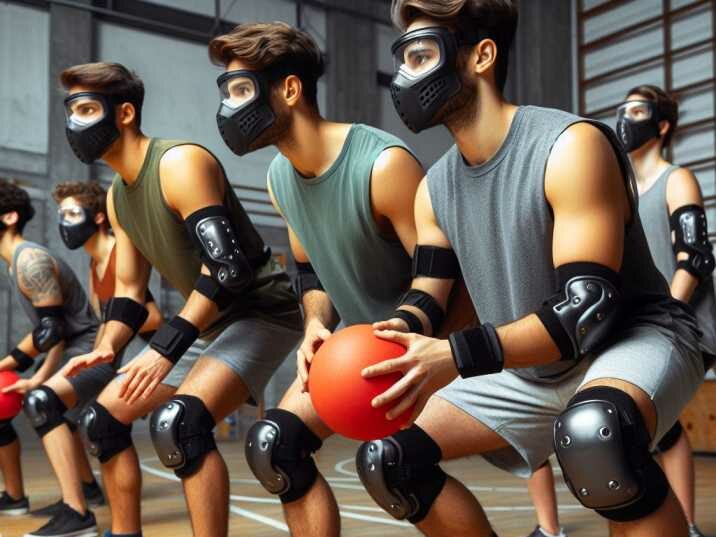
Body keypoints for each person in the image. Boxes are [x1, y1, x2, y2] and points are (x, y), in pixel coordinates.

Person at [356, 1, 706, 537]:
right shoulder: (434, 189)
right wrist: (392, 334)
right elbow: (429, 295)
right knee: (389, 463)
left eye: (422, 55)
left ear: (482, 56)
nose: (405, 77)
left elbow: (587, 310)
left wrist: (455, 354)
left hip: (628, 340)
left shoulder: (570, 145)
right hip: (531, 366)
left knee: (598, 436)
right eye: (404, 59)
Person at [207, 22, 472, 537]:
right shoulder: (279, 177)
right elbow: (311, 272)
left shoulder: (382, 165)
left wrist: (421, 358)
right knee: (275, 447)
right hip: (362, 351)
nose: (230, 109)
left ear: (289, 89)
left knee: (395, 465)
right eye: (228, 94)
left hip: (434, 348)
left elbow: (449, 276)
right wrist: (314, 326)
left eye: (242, 91)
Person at [58, 61, 302, 537]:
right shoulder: (116, 199)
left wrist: (164, 349)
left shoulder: (179, 163)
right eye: (72, 112)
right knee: (103, 420)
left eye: (87, 109)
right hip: (209, 320)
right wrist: (107, 345)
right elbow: (129, 291)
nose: (74, 125)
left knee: (180, 423)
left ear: (124, 113)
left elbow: (227, 269)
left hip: (262, 312)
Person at [617, 84, 716, 537]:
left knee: (664, 424)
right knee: (660, 428)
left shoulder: (677, 179)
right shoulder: (621, 192)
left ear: (661, 125)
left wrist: (667, 316)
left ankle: (686, 526)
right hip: (648, 326)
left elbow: (694, 256)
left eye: (636, 111)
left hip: (688, 324)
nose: (625, 118)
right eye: (622, 110)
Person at [0, 179, 103, 536]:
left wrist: (25, 371)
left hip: (91, 346)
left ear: (9, 217)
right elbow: (50, 330)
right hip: (73, 344)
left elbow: (51, 334)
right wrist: (24, 368)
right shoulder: (18, 262)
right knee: (54, 409)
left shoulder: (29, 261)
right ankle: (87, 488)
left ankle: (79, 515)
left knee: (42, 404)